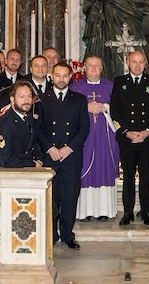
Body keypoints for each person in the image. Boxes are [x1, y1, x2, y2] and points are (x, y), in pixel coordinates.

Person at [40, 62, 90, 249]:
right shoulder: (41, 99)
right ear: (51, 76)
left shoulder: (79, 99)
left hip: (71, 156)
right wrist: (50, 148)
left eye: (65, 75)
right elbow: (37, 129)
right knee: (51, 198)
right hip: (49, 156)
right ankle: (51, 234)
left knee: (70, 197)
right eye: (58, 75)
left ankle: (68, 234)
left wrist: (69, 148)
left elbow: (84, 128)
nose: (61, 79)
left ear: (71, 77)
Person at [110, 50, 149, 226]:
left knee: (147, 177)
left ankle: (147, 211)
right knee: (128, 176)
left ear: (145, 64)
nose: (138, 65)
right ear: (128, 63)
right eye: (134, 62)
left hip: (147, 138)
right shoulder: (120, 82)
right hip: (127, 138)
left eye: (141, 62)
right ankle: (127, 212)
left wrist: (148, 131)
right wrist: (125, 131)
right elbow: (114, 111)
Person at [71, 55, 119, 221]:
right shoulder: (75, 87)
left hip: (105, 138)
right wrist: (86, 107)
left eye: (97, 66)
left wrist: (105, 107)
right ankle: (84, 212)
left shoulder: (111, 86)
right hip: (84, 138)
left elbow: (120, 109)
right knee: (84, 170)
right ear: (84, 67)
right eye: (90, 66)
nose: (93, 69)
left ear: (102, 68)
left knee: (104, 169)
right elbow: (68, 110)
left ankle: (104, 211)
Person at [0, 81, 45, 168]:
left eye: (29, 96)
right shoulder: (4, 124)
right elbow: (7, 160)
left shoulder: (28, 118)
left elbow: (34, 143)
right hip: (13, 176)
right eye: (22, 97)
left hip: (29, 172)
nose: (27, 100)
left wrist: (39, 160)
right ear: (12, 100)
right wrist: (33, 164)